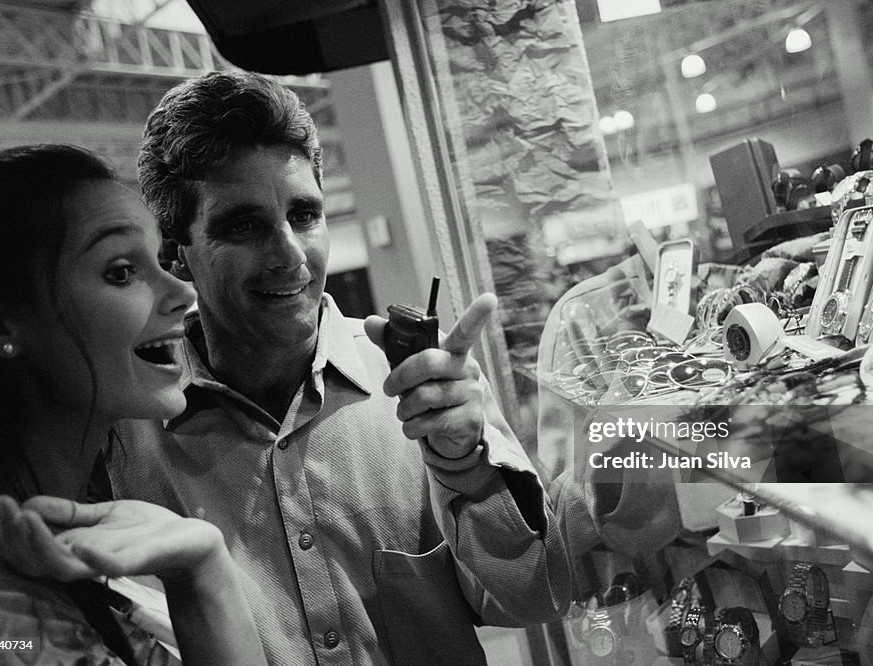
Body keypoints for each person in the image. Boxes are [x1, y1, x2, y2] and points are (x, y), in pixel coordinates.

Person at [97, 70, 571, 664]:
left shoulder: (423, 387)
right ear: (175, 253)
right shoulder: (126, 438)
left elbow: (534, 600)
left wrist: (470, 472)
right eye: (242, 226)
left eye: (304, 215)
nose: (290, 254)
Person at [0, 144, 266, 665]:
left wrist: (203, 562)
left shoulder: (80, 543)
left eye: (162, 260)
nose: (181, 292)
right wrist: (206, 577)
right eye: (122, 271)